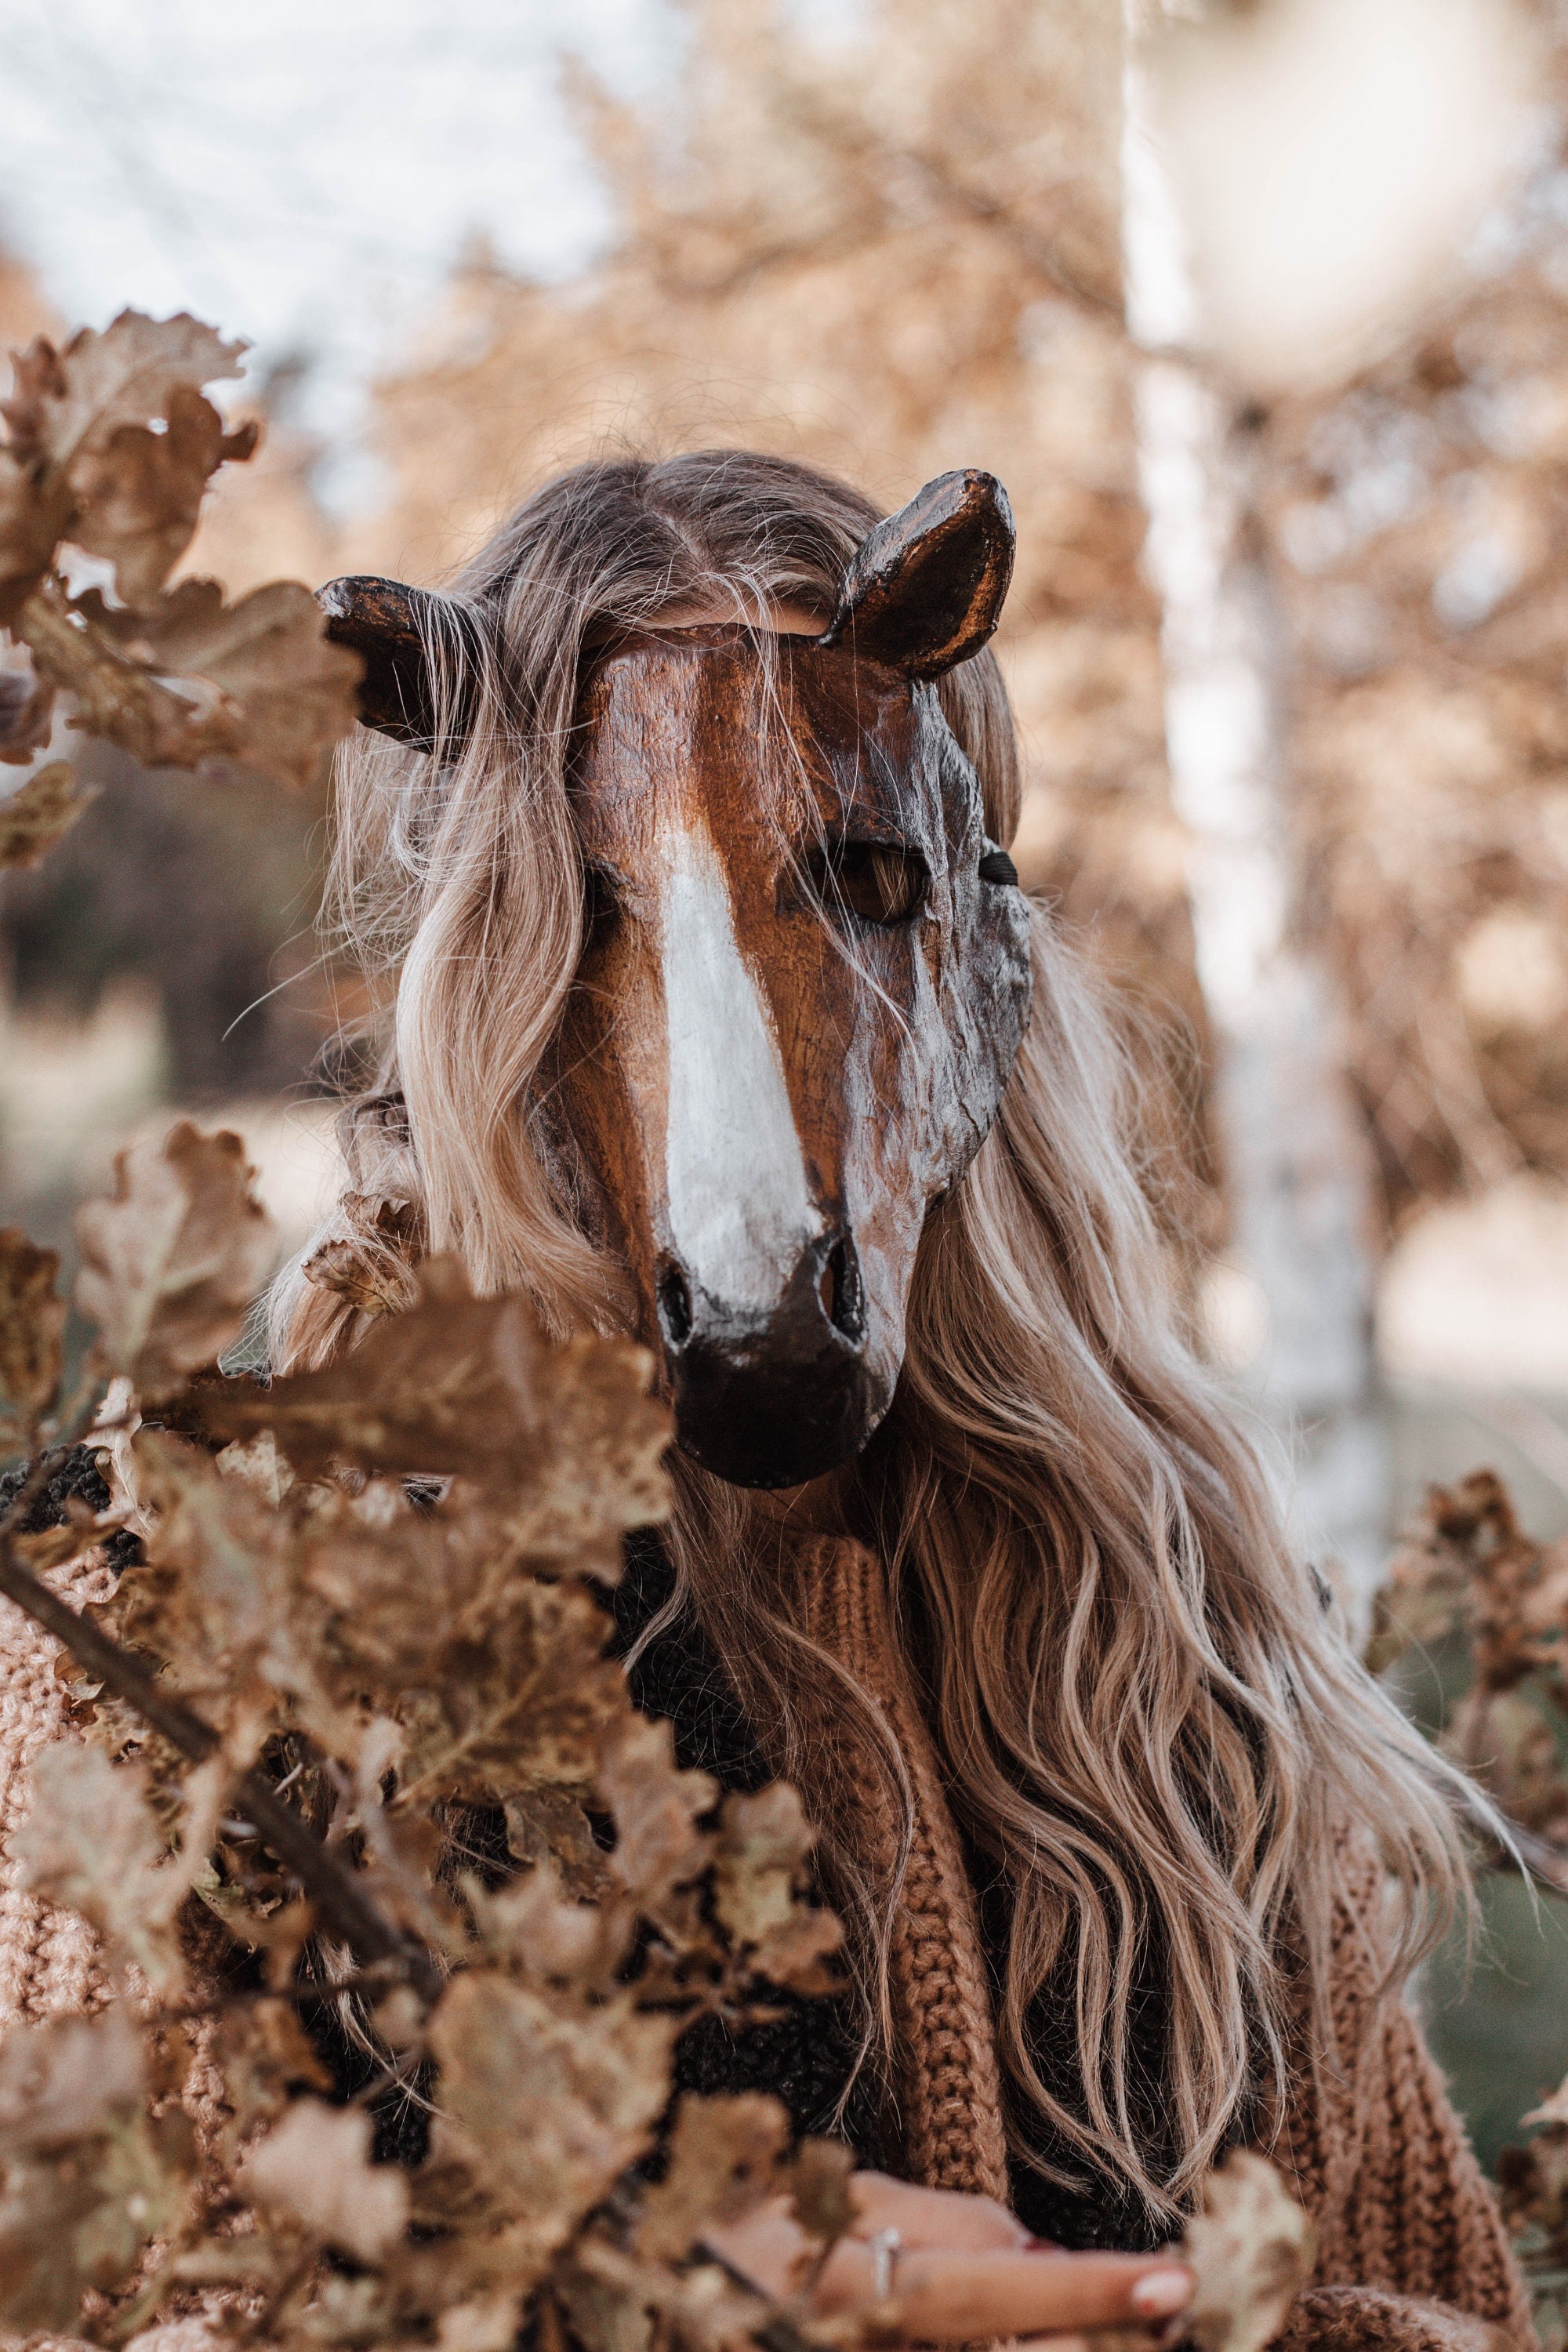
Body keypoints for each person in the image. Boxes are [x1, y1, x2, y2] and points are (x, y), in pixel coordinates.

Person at [234, 452, 1536, 2347]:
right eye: (585, 924)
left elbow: (1431, 2306)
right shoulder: (218, 1636)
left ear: (975, 962)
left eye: (852, 880)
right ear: (487, 987)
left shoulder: (1176, 1671)